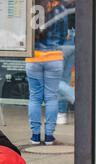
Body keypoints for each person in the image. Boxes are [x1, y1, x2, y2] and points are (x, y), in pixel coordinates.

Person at [26, 0, 68, 145]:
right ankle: (49, 136)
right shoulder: (61, 8)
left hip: (33, 58)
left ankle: (35, 135)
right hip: (54, 57)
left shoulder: (33, 7)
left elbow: (27, 32)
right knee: (51, 97)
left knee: (35, 97)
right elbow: (64, 35)